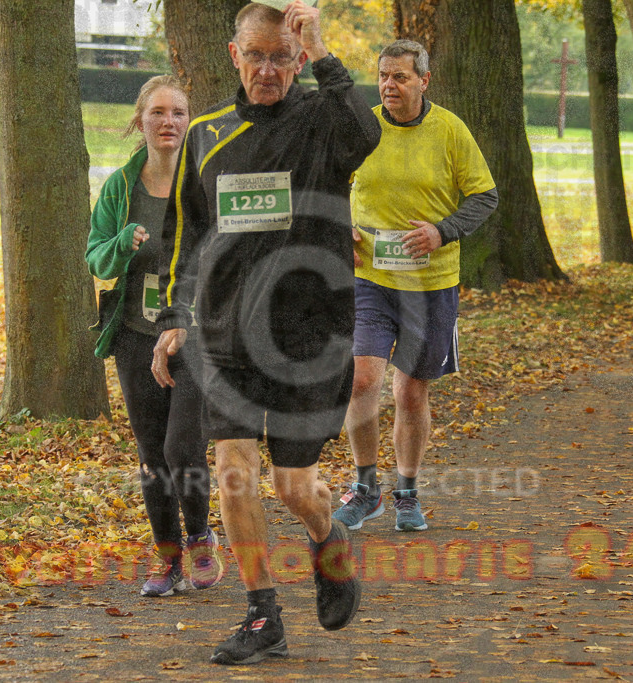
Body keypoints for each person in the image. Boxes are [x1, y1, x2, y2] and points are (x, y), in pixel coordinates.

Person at [150, 0, 381, 666]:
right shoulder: (205, 133)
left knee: (290, 484)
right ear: (234, 55)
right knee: (230, 474)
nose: (268, 70)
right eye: (256, 55)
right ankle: (262, 616)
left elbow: (365, 134)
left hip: (311, 339)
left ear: (299, 58)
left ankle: (325, 531)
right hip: (227, 340)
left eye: (283, 57)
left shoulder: (321, 120)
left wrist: (325, 50)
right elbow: (185, 235)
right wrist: (173, 317)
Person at [334, 39, 498, 532]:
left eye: (401, 77)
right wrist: (341, 224)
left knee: (410, 392)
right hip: (370, 278)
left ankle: (407, 489)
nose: (389, 85)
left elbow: (483, 196)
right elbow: (326, 181)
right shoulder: (362, 127)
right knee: (362, 380)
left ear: (424, 80)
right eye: (384, 76)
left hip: (430, 284)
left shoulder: (450, 130)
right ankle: (365, 489)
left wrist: (440, 231)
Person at [86, 75, 223, 598]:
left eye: (178, 113)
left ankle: (200, 538)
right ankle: (166, 560)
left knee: (183, 446)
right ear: (140, 121)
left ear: (190, 122)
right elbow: (95, 256)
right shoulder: (121, 187)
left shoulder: (206, 180)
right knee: (151, 453)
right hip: (137, 335)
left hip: (194, 334)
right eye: (158, 113)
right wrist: (122, 243)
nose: (169, 122)